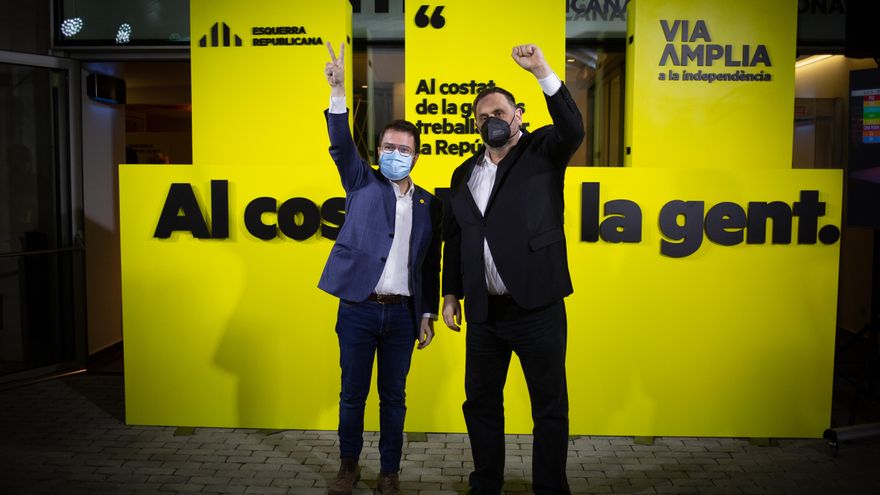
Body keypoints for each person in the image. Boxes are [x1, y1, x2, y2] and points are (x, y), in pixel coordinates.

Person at [441, 44, 585, 495]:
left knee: (548, 405)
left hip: (537, 306)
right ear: (476, 126)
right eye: (482, 118)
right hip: (484, 314)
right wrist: (449, 294)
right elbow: (456, 237)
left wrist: (542, 71)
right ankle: (486, 483)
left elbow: (572, 127)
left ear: (518, 114)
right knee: (481, 404)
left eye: (499, 112)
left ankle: (549, 488)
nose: (491, 121)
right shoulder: (463, 173)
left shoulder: (543, 149)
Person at [319, 42, 442, 495]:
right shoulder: (361, 180)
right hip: (359, 309)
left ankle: (389, 471)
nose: (395, 153)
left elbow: (429, 266)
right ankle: (348, 466)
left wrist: (427, 314)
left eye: (403, 149)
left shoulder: (430, 204)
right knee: (352, 395)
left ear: (416, 156)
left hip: (403, 316)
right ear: (378, 149)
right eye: (389, 146)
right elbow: (338, 146)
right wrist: (337, 91)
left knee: (394, 399)